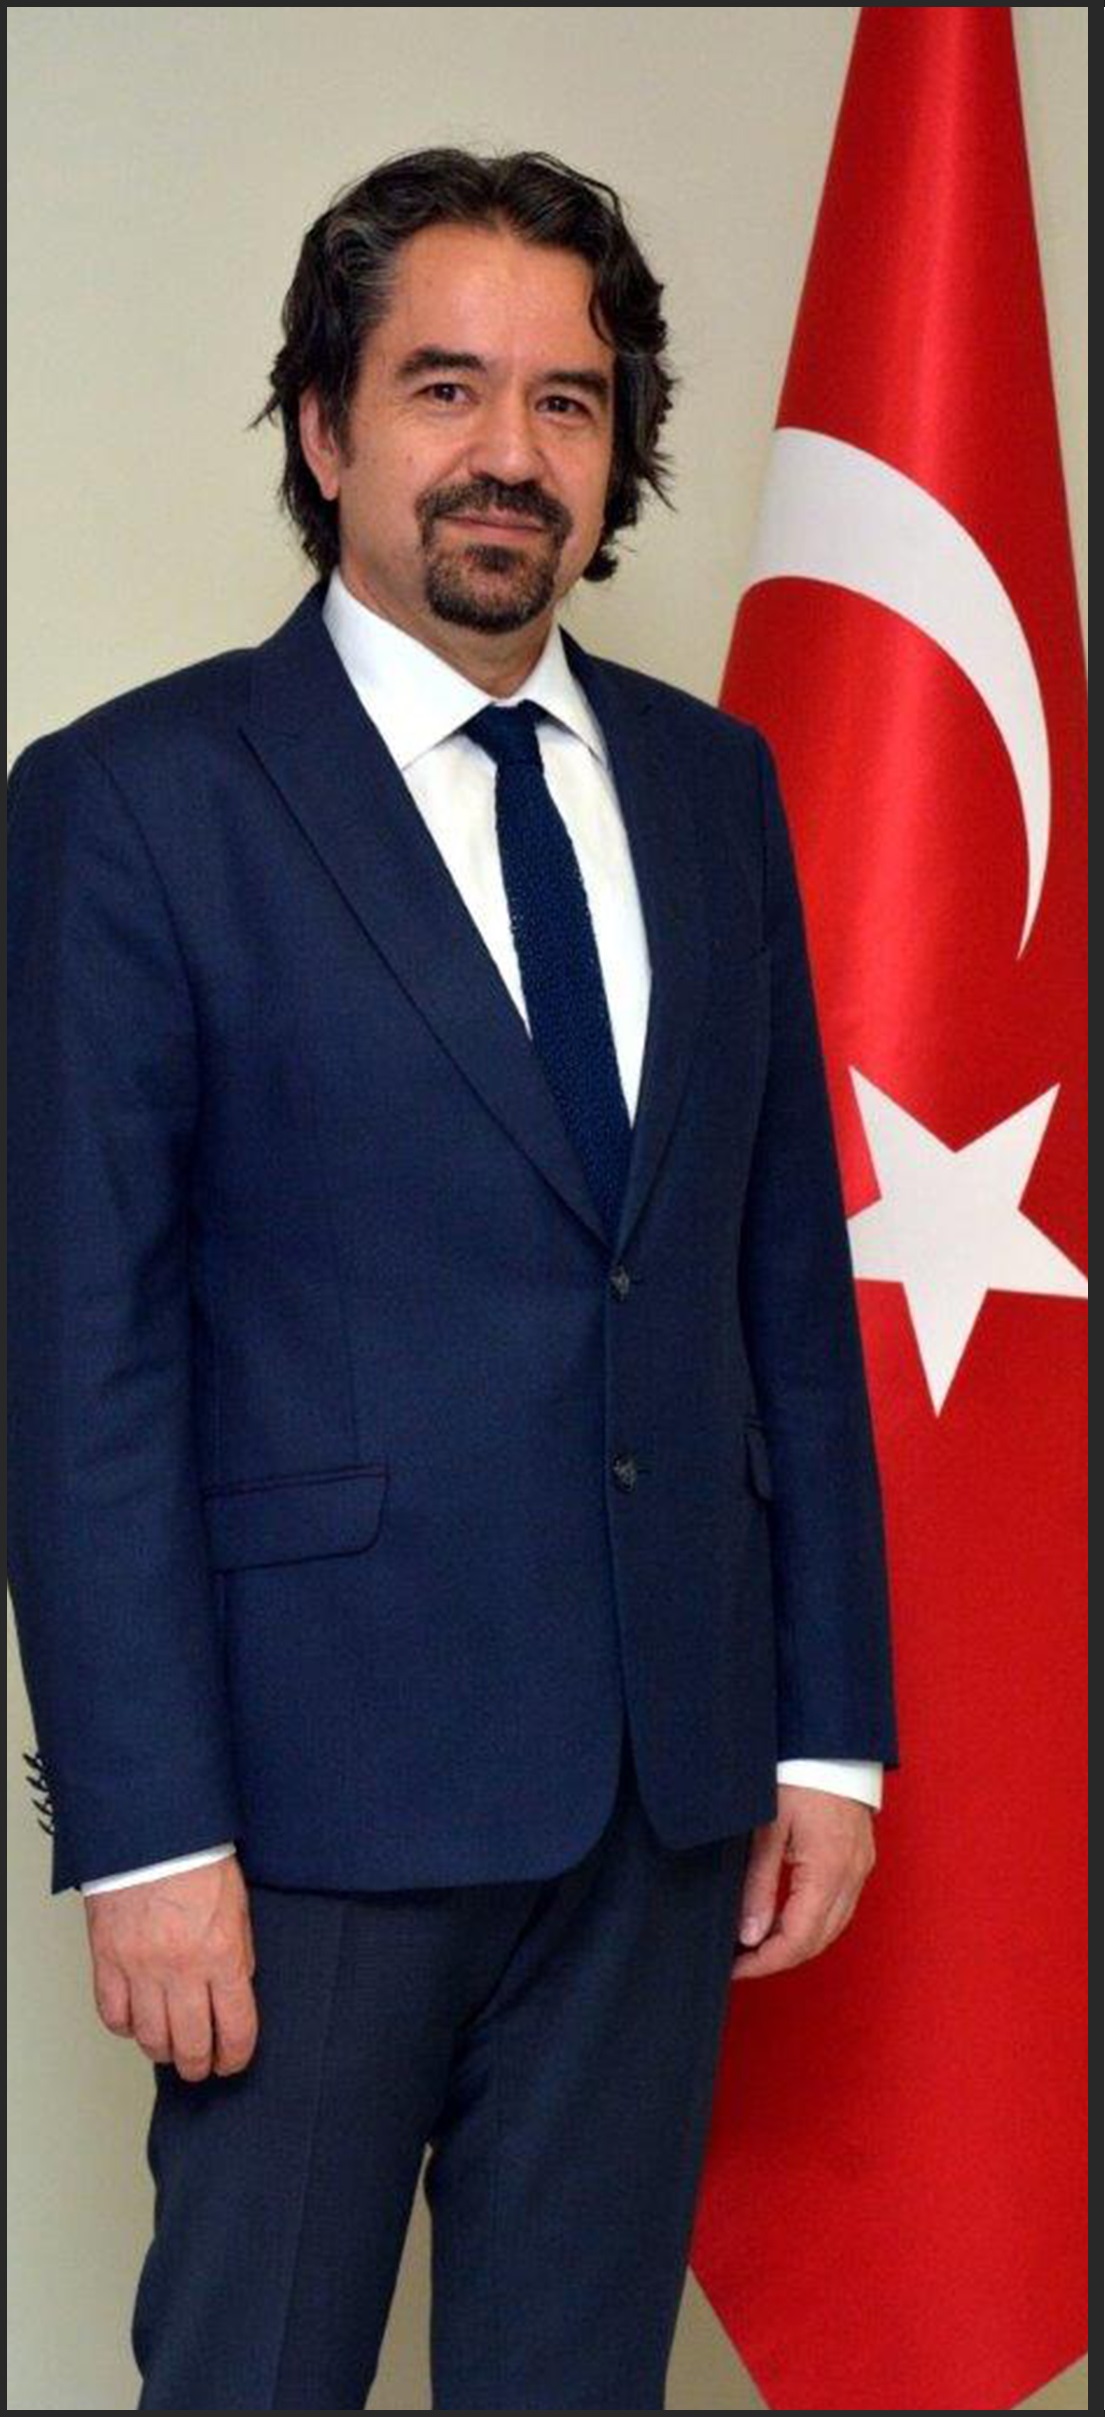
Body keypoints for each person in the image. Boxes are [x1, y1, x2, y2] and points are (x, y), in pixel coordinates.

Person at [7, 147, 900, 2411]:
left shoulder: (712, 787)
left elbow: (779, 1284)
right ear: (325, 429)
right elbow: (80, 1358)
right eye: (444, 387)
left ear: (617, 453)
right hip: (301, 1818)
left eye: (567, 400)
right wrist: (145, 1832)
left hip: (662, 1801)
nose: (511, 450)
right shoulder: (132, 801)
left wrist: (824, 1730)